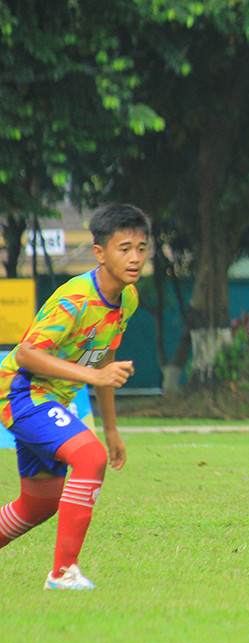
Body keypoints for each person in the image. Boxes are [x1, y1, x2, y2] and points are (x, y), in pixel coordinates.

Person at [0, 204, 150, 589]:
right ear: (100, 253)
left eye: (141, 248)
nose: (135, 258)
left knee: (39, 504)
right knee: (90, 457)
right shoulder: (77, 298)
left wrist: (112, 429)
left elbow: (106, 360)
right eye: (124, 248)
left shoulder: (127, 298)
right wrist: (93, 375)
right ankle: (63, 573)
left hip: (50, 399)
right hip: (20, 392)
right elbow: (27, 353)